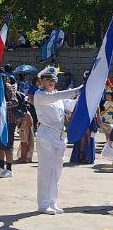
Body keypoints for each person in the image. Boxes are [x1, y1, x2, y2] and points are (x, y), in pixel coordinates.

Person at [34, 66, 82, 215]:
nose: (51, 82)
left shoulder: (57, 97)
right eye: (48, 79)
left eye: (53, 80)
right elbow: (58, 97)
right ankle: (43, 204)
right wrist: (76, 90)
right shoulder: (40, 95)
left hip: (60, 137)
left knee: (56, 171)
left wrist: (86, 95)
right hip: (46, 136)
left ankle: (52, 202)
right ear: (41, 81)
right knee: (45, 171)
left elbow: (72, 105)